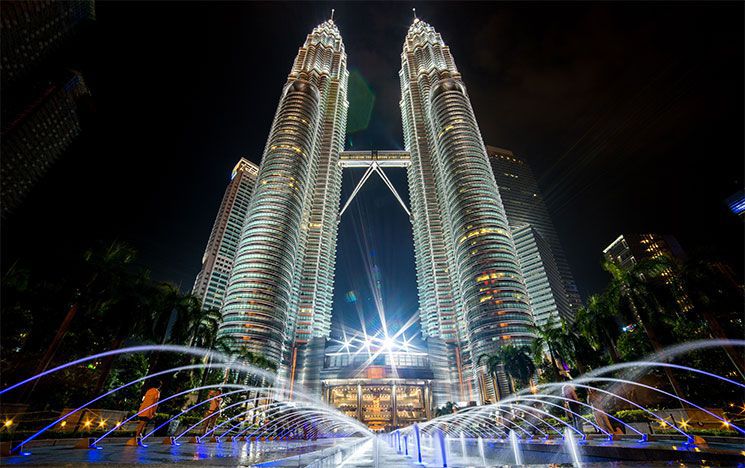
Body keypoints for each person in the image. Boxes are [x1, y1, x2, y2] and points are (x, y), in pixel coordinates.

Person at [131, 380, 162, 445]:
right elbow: (155, 403)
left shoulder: (149, 390)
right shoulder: (156, 392)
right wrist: (154, 412)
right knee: (142, 425)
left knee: (141, 424)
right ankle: (136, 439)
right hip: (148, 410)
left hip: (142, 408)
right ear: (159, 386)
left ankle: (138, 439)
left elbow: (144, 399)